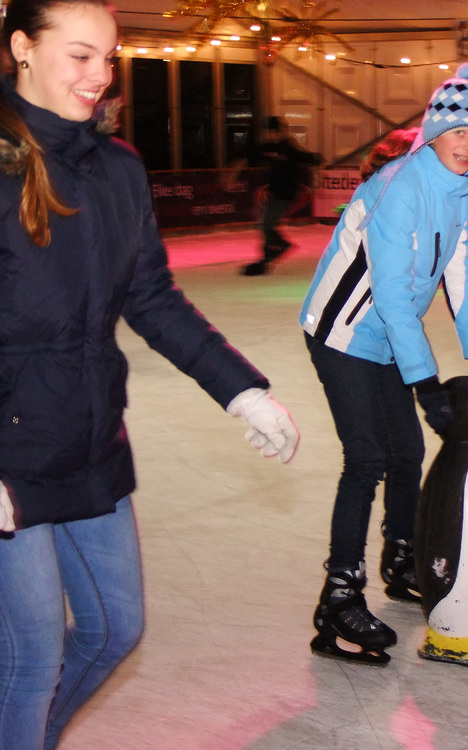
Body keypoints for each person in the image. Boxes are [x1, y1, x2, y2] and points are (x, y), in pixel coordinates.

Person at [0, 0, 300, 747]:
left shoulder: (118, 169)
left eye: (108, 57)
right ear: (22, 48)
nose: (99, 75)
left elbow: (153, 298)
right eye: (80, 55)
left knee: (113, 629)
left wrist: (242, 390)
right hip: (9, 449)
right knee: (30, 658)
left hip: (90, 434)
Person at [299, 63, 468, 665]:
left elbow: (460, 273)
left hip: (389, 336)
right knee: (366, 458)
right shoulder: (400, 187)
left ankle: (400, 558)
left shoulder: (462, 189)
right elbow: (390, 294)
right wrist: (426, 383)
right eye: (459, 132)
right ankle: (339, 595)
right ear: (434, 132)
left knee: (408, 452)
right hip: (342, 332)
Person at [240, 115, 323, 276]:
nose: (270, 135)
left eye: (273, 132)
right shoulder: (266, 147)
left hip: (287, 194)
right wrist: (234, 170)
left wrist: (316, 159)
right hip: (274, 193)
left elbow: (304, 156)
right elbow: (250, 155)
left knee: (267, 225)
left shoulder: (288, 147)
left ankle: (281, 247)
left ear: (278, 132)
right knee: (265, 225)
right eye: (268, 132)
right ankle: (266, 259)